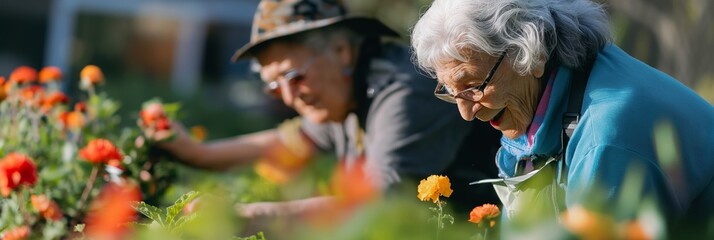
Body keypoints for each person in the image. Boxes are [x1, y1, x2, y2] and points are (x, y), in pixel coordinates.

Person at [159, 0, 501, 219]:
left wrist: (243, 217)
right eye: (275, 85)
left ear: (340, 50)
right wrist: (195, 153)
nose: (290, 97)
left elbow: (376, 204)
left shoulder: (403, 92)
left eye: (295, 77)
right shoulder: (344, 90)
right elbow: (289, 141)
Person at [411, 0, 714, 227]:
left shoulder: (604, 136)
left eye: (474, 86)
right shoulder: (550, 94)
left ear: (532, 53)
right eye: (451, 91)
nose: (465, 112)